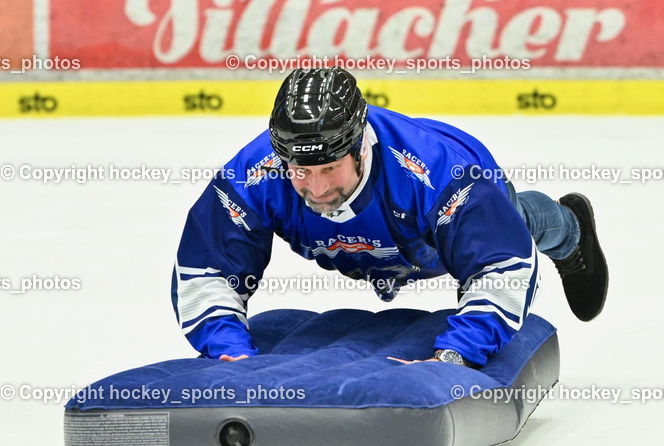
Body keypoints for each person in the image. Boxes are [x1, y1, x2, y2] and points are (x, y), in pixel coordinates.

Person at [172, 68, 607, 367]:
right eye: (300, 171)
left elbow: (501, 267)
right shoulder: (257, 172)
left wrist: (456, 354)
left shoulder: (441, 174)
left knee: (516, 222)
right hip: (384, 238)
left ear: (361, 146)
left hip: (440, 228)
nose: (317, 189)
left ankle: (570, 228)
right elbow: (205, 269)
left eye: (329, 169)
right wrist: (229, 350)